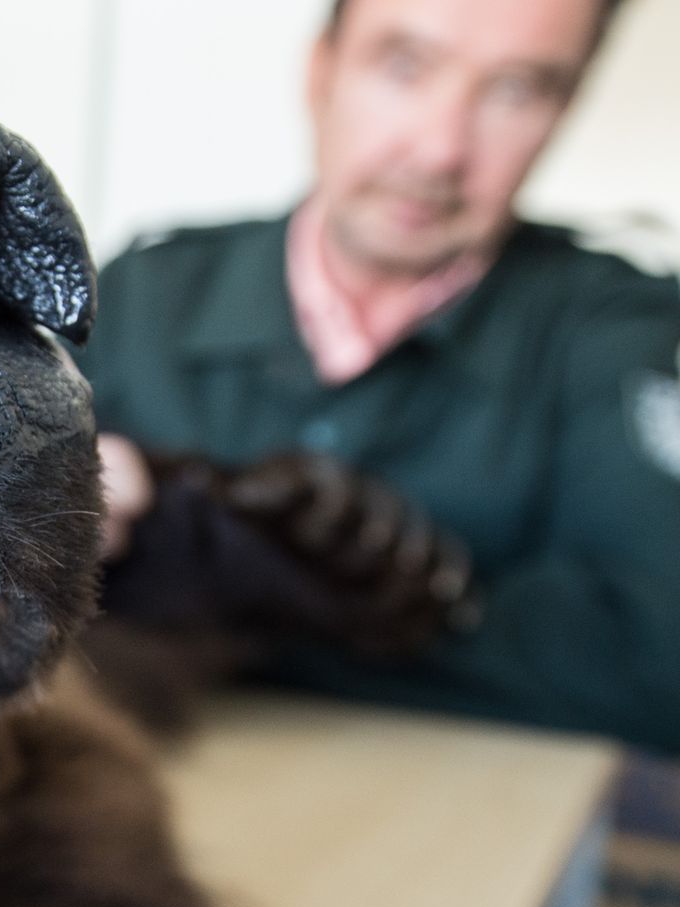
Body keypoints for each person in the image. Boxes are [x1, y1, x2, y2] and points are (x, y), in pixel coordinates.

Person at [81, 0, 680, 754]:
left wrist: (271, 602)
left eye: (516, 90)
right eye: (404, 67)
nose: (439, 152)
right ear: (321, 71)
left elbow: (658, 661)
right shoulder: (142, 294)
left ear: (566, 107)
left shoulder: (621, 329)